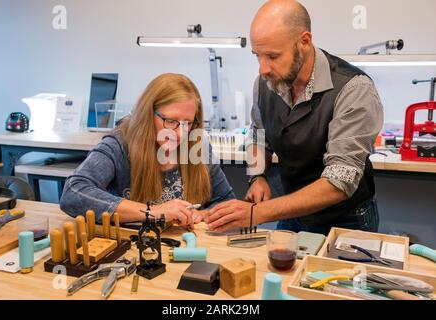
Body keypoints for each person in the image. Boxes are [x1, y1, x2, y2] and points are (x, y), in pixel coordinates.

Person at [207, 0, 383, 235]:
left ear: (304, 42)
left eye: (272, 55)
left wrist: (258, 213)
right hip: (292, 213)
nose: (262, 68)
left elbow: (340, 180)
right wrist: (257, 176)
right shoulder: (265, 83)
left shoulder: (353, 88)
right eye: (257, 55)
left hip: (346, 219)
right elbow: (258, 135)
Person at [60, 73, 235, 228]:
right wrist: (153, 212)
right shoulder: (120, 144)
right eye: (171, 121)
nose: (181, 133)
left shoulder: (197, 145)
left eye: (187, 123)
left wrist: (203, 215)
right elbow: (73, 193)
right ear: (148, 114)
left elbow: (226, 202)